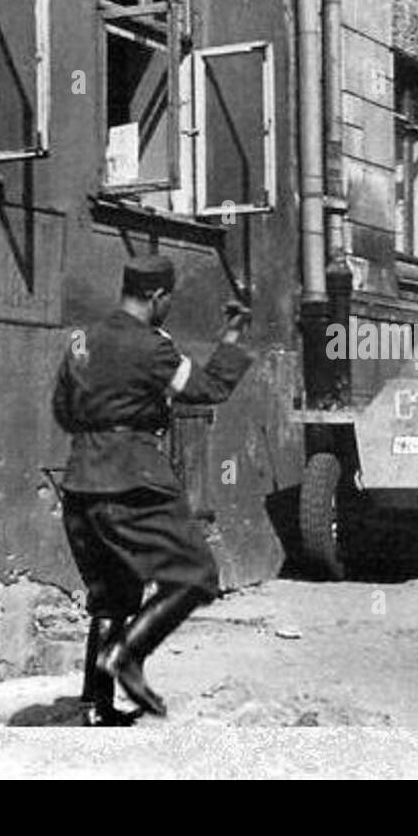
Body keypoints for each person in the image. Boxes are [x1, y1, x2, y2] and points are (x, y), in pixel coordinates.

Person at [52, 255, 252, 725]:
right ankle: (126, 656)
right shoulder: (152, 347)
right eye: (169, 300)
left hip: (80, 483)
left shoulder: (79, 341)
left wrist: (101, 424)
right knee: (197, 575)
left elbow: (62, 410)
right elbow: (205, 389)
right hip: (133, 479)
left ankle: (96, 709)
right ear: (158, 297)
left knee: (111, 596)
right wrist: (231, 339)